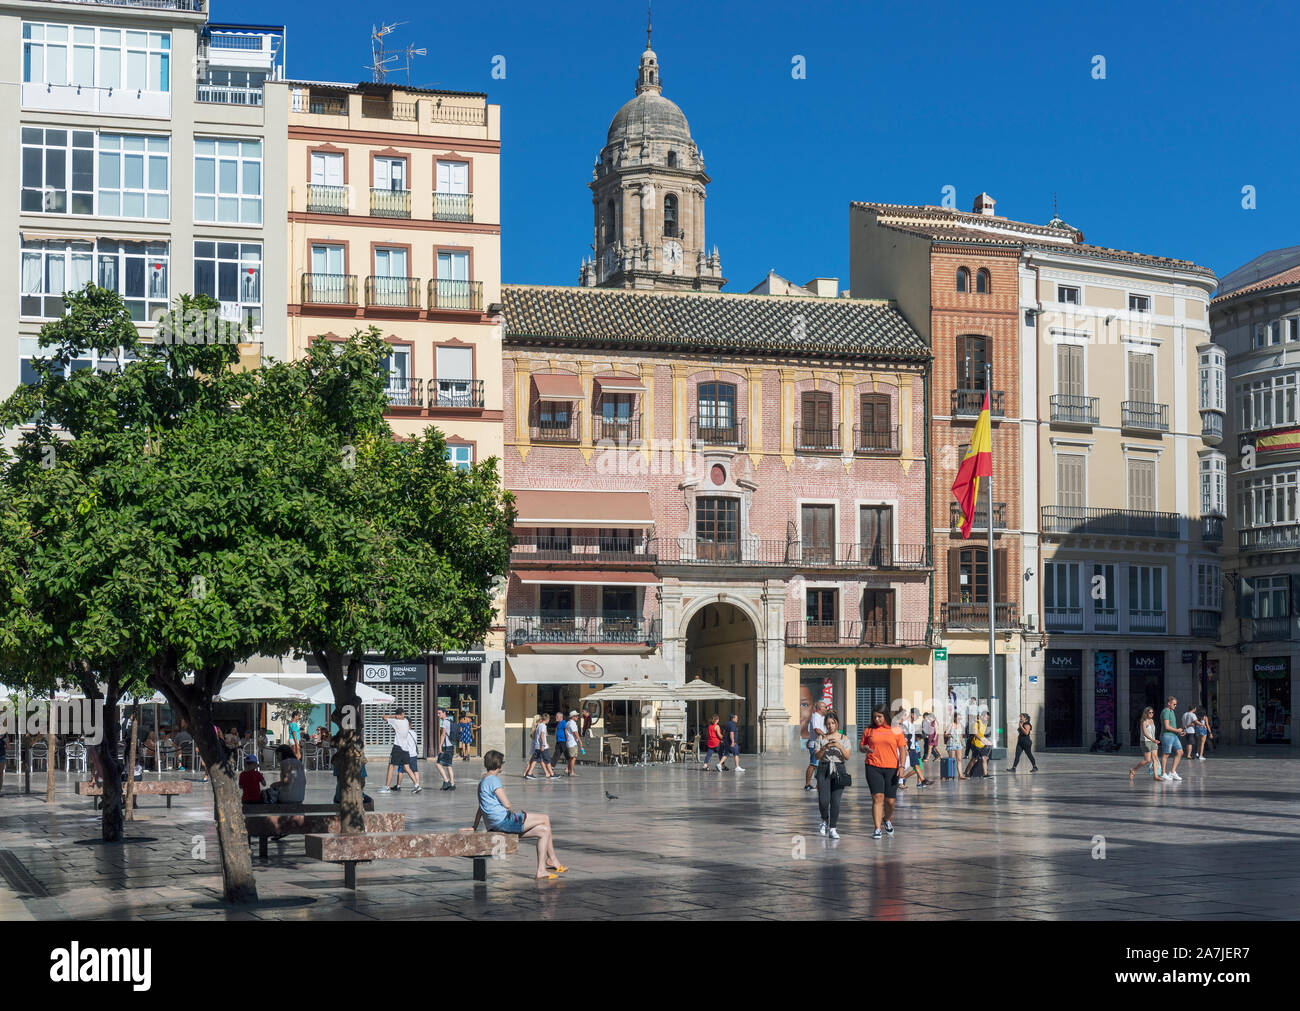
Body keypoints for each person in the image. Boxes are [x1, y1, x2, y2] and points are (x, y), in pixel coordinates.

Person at [472, 750, 566, 880]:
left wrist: (474, 826)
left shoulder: (482, 782)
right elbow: (506, 804)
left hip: (494, 825)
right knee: (545, 818)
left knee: (544, 831)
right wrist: (513, 812)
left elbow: (481, 807)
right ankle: (552, 860)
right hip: (504, 821)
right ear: (499, 765)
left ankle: (542, 870)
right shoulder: (494, 780)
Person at [861, 705, 906, 839]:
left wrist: (902, 766)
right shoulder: (869, 730)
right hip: (872, 766)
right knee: (877, 797)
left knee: (890, 801)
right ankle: (877, 828)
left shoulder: (896, 730)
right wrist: (865, 749)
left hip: (892, 768)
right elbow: (862, 746)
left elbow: (903, 749)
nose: (876, 719)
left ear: (885, 716)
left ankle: (887, 819)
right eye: (874, 717)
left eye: (879, 716)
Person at [814, 712, 851, 838]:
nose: (830, 726)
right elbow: (817, 756)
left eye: (832, 723)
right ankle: (824, 820)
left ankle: (833, 828)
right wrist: (825, 747)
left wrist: (839, 746)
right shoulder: (820, 739)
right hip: (824, 768)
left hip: (839, 769)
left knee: (835, 801)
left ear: (837, 724)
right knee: (824, 800)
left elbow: (847, 756)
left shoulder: (844, 738)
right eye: (828, 724)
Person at [380, 708, 423, 794]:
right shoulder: (406, 721)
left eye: (399, 715)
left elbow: (383, 717)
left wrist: (394, 716)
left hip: (398, 747)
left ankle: (387, 787)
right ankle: (417, 785)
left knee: (391, 766)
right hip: (405, 749)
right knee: (407, 767)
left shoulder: (395, 721)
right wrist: (399, 716)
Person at [332, 740, 371, 806]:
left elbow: (338, 780)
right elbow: (362, 782)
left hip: (339, 797)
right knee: (370, 801)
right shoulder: (360, 762)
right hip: (354, 797)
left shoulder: (338, 759)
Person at [898, 709, 931, 788]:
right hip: (907, 748)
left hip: (912, 748)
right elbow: (903, 736)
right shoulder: (906, 723)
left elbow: (912, 738)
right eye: (917, 715)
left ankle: (923, 781)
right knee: (905, 765)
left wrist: (915, 746)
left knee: (917, 765)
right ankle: (899, 780)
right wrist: (905, 747)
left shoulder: (911, 724)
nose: (917, 717)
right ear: (912, 714)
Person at [1129, 707, 1162, 782]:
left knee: (1155, 758)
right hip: (1145, 742)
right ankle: (1133, 770)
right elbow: (1145, 733)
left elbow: (1153, 732)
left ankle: (1156, 776)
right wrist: (1153, 740)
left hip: (1153, 741)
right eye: (1150, 712)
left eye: (1152, 712)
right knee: (1147, 760)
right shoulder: (1144, 721)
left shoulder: (1152, 721)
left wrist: (1155, 741)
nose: (1151, 714)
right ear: (1146, 713)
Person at [1159, 697, 1185, 781]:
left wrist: (1178, 732)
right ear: (1168, 703)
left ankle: (1172, 772)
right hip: (1167, 735)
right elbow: (1166, 726)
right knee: (1166, 754)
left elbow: (1172, 726)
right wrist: (1177, 730)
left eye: (1176, 704)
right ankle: (1163, 773)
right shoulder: (1165, 711)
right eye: (1174, 704)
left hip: (1174, 735)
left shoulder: (1171, 711)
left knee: (1180, 752)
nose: (1175, 706)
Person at [804, 700, 827, 791]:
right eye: (824, 707)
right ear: (819, 708)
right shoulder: (815, 716)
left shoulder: (823, 717)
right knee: (813, 765)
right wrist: (826, 736)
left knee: (821, 765)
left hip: (822, 744)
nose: (826, 708)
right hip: (815, 744)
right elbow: (817, 729)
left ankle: (818, 785)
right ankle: (807, 784)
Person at [522, 714, 554, 780]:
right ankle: (528, 773)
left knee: (536, 759)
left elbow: (536, 736)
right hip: (538, 745)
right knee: (537, 759)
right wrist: (543, 744)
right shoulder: (540, 726)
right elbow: (541, 736)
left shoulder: (536, 726)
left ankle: (528, 773)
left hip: (536, 745)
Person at [434, 708, 456, 791]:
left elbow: (443, 735)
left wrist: (440, 746)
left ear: (444, 713)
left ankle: (446, 781)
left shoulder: (445, 722)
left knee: (438, 764)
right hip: (451, 746)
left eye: (439, 713)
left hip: (446, 747)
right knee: (448, 765)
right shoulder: (450, 721)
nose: (438, 715)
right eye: (437, 713)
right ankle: (452, 784)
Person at [965, 711, 991, 778]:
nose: (987, 719)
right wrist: (981, 739)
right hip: (975, 744)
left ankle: (985, 774)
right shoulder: (976, 723)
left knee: (984, 758)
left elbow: (982, 735)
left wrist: (987, 741)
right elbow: (975, 733)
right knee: (974, 759)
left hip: (982, 744)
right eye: (986, 718)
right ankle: (967, 772)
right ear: (982, 716)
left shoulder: (984, 724)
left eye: (988, 718)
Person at [945, 714, 969, 780]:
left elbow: (961, 736)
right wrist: (949, 735)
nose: (959, 720)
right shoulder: (951, 725)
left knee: (959, 759)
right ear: (954, 718)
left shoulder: (960, 725)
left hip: (958, 744)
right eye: (958, 718)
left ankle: (960, 775)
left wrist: (963, 743)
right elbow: (945, 733)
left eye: (960, 719)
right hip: (951, 744)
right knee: (952, 760)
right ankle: (951, 774)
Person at [552, 709, 572, 775]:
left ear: (561, 717)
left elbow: (566, 731)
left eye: (557, 717)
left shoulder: (563, 722)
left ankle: (569, 769)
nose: (556, 718)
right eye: (556, 716)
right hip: (559, 741)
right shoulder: (558, 723)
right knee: (556, 754)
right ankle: (551, 767)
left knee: (567, 755)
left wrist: (567, 739)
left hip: (563, 741)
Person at [563, 710, 583, 775]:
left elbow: (565, 730)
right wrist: (580, 741)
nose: (578, 717)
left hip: (569, 742)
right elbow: (575, 733)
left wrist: (567, 737)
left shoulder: (568, 723)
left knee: (570, 757)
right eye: (576, 716)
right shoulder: (572, 723)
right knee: (573, 757)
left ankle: (567, 769)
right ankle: (571, 772)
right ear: (573, 717)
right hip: (572, 743)